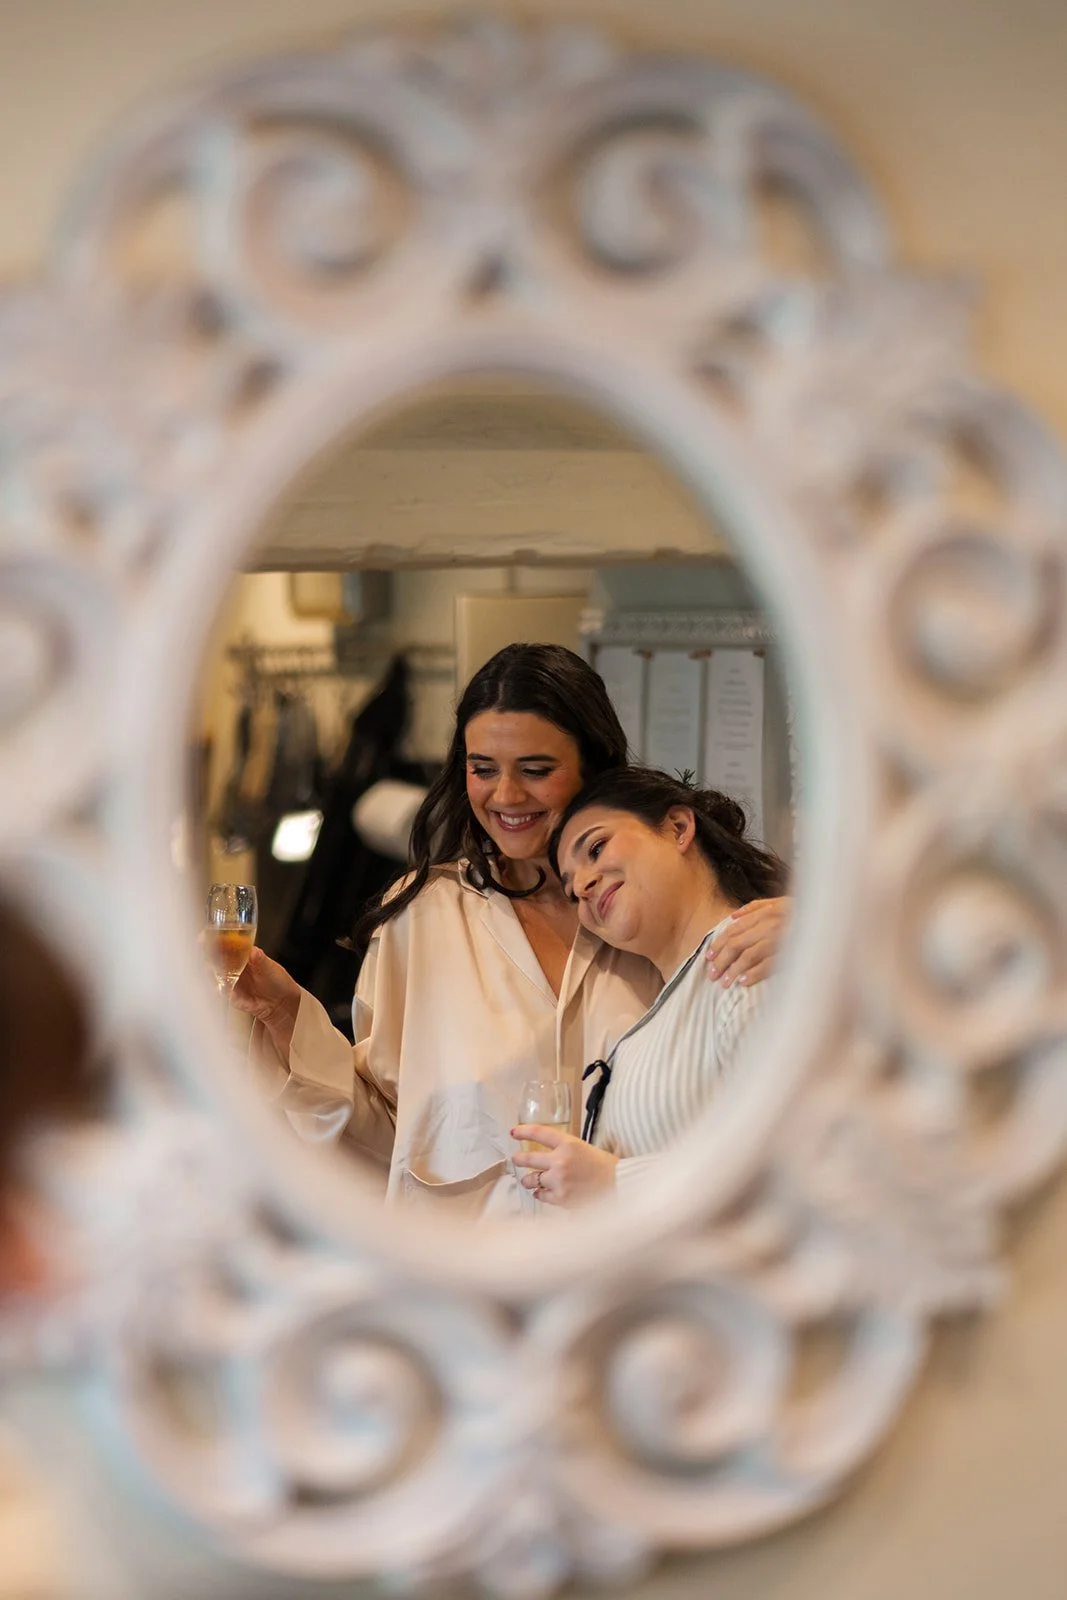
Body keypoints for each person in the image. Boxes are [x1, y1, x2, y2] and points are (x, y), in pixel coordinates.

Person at [233, 644, 791, 1220]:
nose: (506, 796)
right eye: (483, 769)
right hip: (471, 1280)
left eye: (536, 770)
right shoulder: (420, 920)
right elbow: (393, 1142)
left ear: (592, 769)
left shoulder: (641, 917)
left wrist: (810, 932)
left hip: (631, 1276)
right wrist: (282, 1014)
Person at [512, 767, 787, 1208]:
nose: (582, 886)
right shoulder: (673, 1003)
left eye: (596, 848)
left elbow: (790, 1163)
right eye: (571, 891)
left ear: (679, 828)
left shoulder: (749, 956)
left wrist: (615, 1181)